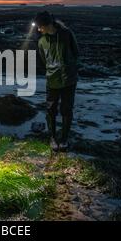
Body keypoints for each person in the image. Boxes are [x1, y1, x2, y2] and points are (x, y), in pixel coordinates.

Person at [34, 11, 79, 152]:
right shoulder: (42, 41)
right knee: (51, 109)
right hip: (52, 80)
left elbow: (76, 52)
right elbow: (43, 60)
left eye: (40, 26)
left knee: (66, 109)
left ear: (47, 25)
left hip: (69, 80)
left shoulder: (67, 34)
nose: (38, 29)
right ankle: (53, 138)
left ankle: (64, 139)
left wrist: (69, 68)